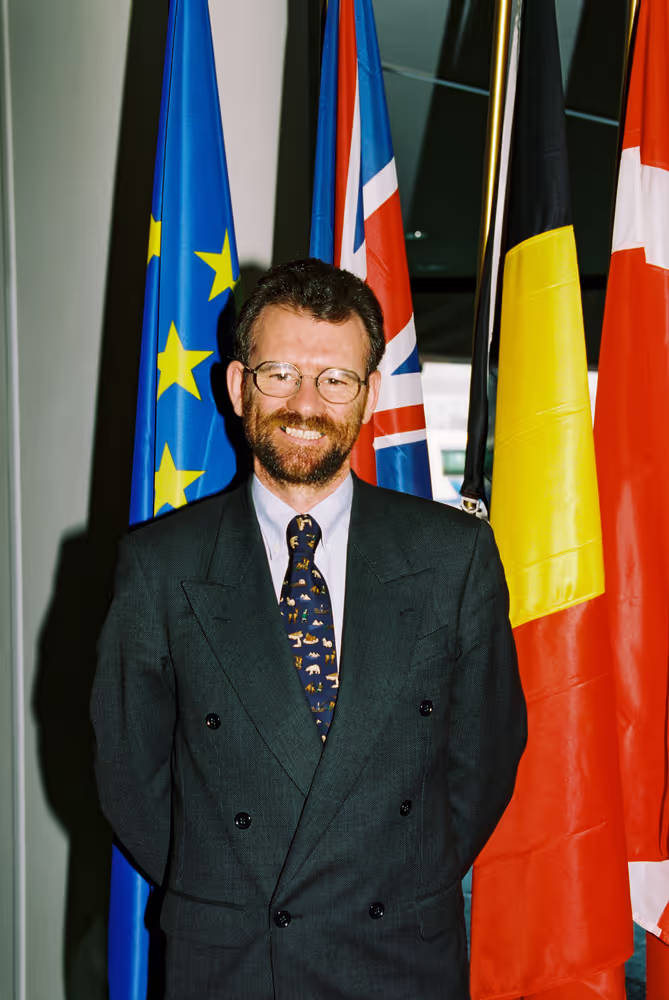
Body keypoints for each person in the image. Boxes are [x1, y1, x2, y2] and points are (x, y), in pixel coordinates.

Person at [91, 258, 527, 999]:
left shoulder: (453, 556)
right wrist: (226, 888)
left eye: (334, 379)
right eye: (280, 373)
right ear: (236, 386)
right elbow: (129, 775)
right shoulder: (158, 566)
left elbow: (484, 756)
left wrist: (404, 873)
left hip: (398, 955)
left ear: (368, 396)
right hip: (232, 960)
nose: (305, 403)